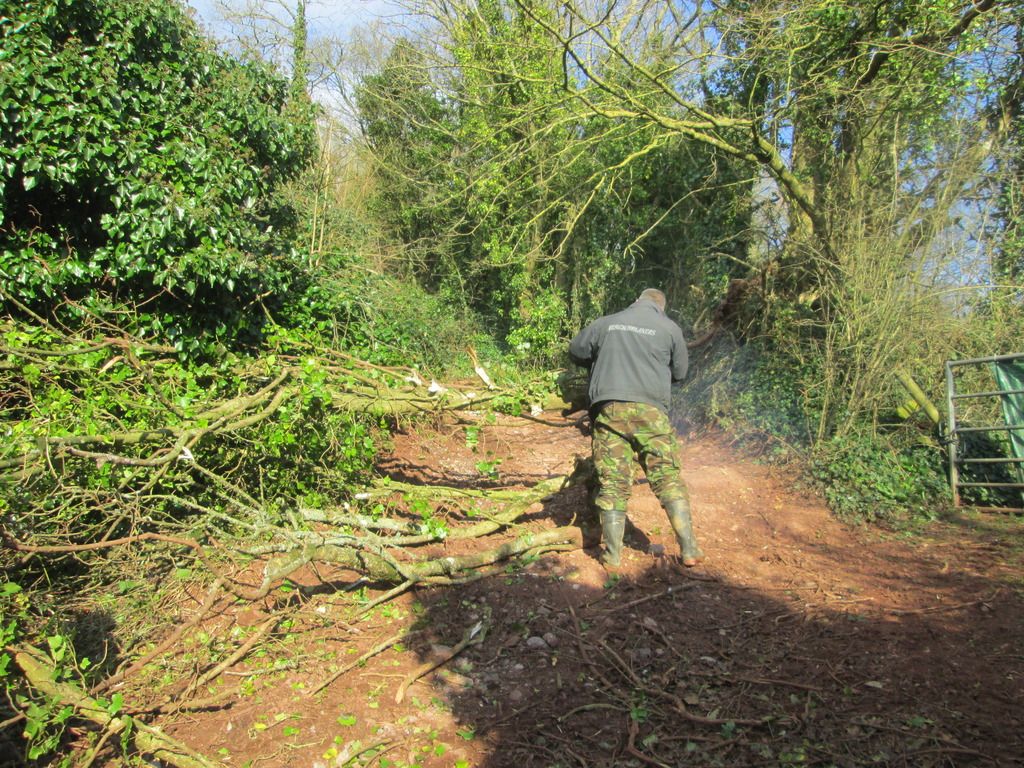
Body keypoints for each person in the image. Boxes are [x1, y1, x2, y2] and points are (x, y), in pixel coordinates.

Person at [568, 288, 704, 569]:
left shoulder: (607, 322)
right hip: (651, 412)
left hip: (610, 410)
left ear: (636, 301)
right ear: (661, 308)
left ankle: (612, 556)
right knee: (667, 477)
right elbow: (680, 373)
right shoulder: (670, 328)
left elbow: (576, 350)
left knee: (613, 483)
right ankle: (689, 549)